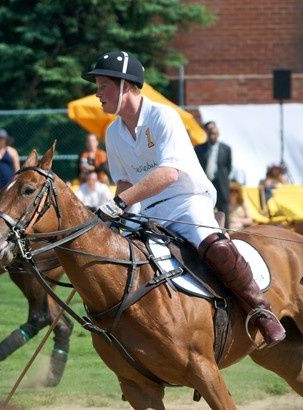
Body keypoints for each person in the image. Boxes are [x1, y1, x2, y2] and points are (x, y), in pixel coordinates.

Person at [84, 50, 285, 347]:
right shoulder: (113, 132)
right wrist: (118, 216)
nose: (98, 94)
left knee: (212, 244)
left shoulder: (163, 116)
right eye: (98, 86)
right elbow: (125, 180)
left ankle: (261, 312)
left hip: (187, 200)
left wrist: (121, 202)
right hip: (146, 210)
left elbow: (169, 174)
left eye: (103, 86)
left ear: (126, 85)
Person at [194, 121, 232, 228]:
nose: (212, 134)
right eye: (210, 131)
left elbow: (228, 167)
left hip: (221, 183)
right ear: (206, 132)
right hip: (206, 182)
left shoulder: (226, 149)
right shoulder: (199, 149)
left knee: (223, 208)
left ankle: (225, 232)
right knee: (205, 207)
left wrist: (223, 179)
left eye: (214, 131)